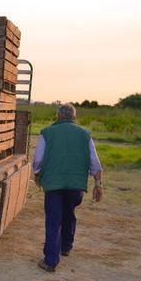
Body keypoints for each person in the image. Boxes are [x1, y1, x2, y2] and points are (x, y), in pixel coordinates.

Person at [33, 103, 103, 272]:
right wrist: (98, 184)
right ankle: (65, 247)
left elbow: (38, 159)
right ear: (74, 117)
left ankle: (50, 261)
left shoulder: (47, 133)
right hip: (76, 185)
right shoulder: (85, 134)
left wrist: (37, 174)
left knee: (53, 219)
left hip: (54, 184)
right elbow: (94, 161)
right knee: (69, 213)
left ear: (57, 116)